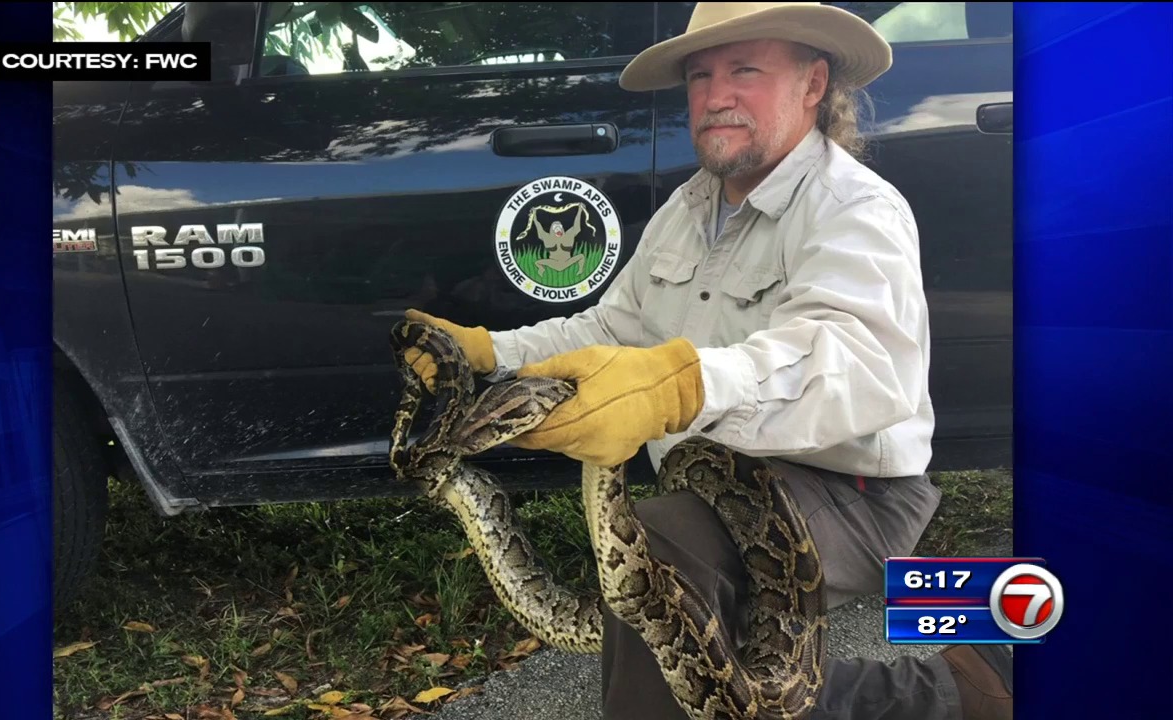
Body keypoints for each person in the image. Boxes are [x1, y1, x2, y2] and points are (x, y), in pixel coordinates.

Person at [402, 3, 1012, 718]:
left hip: (852, 491)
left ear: (813, 84)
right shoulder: (687, 210)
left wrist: (683, 387)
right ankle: (960, 693)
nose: (716, 95)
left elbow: (854, 360)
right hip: (714, 475)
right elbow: (612, 325)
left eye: (745, 70)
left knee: (656, 564)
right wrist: (487, 355)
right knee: (724, 674)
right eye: (700, 75)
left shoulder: (855, 208)